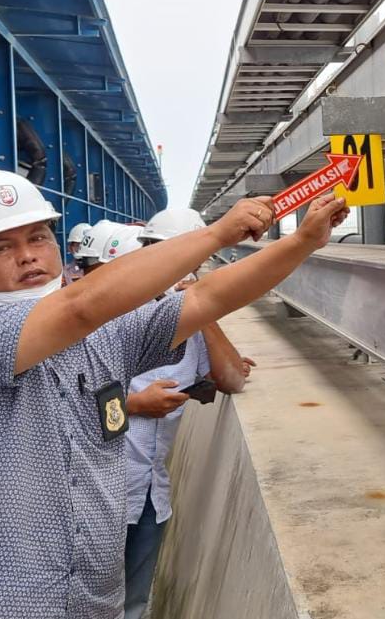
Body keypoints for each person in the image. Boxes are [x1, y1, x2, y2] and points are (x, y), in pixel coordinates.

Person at [0, 166, 346, 619]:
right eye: (2, 247)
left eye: (39, 238)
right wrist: (217, 235)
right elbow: (78, 308)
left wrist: (301, 242)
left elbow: (206, 299)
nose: (28, 256)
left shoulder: (107, 337)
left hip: (89, 599)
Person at [115, 207, 251, 619]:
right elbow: (59, 404)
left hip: (149, 496)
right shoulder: (114, 316)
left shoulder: (190, 326)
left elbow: (231, 379)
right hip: (100, 494)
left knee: (135, 603)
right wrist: (134, 405)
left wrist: (199, 308)